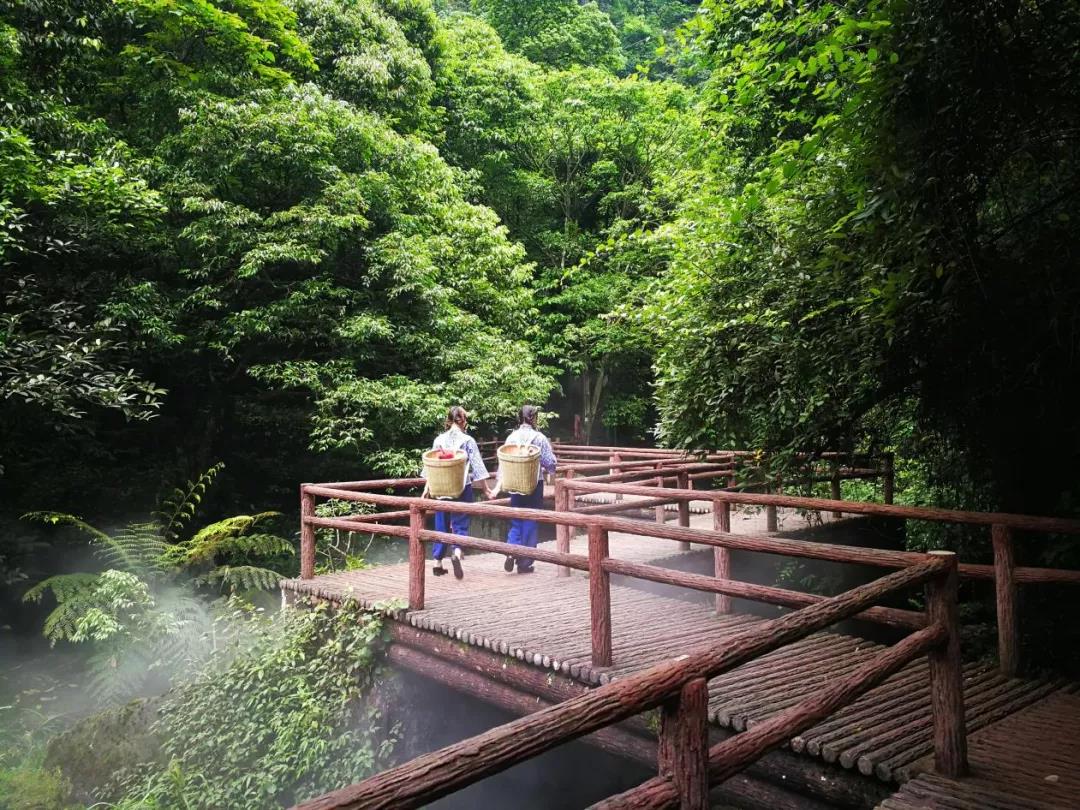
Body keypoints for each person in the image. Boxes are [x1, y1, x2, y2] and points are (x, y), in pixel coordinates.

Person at [423, 406, 490, 579]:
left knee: (441, 523)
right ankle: (457, 552)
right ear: (464, 421)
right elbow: (478, 467)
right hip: (461, 486)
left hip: (440, 487)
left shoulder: (439, 440)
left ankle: (437, 562)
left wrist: (426, 488)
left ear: (448, 420)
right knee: (460, 521)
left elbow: (430, 466)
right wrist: (486, 488)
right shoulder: (468, 441)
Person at [495, 405, 557, 574]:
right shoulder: (539, 438)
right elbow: (550, 462)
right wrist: (552, 470)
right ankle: (525, 562)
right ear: (533, 418)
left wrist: (498, 484)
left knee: (517, 519)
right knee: (530, 519)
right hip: (533, 483)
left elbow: (504, 461)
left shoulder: (511, 437)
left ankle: (511, 550)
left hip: (514, 483)